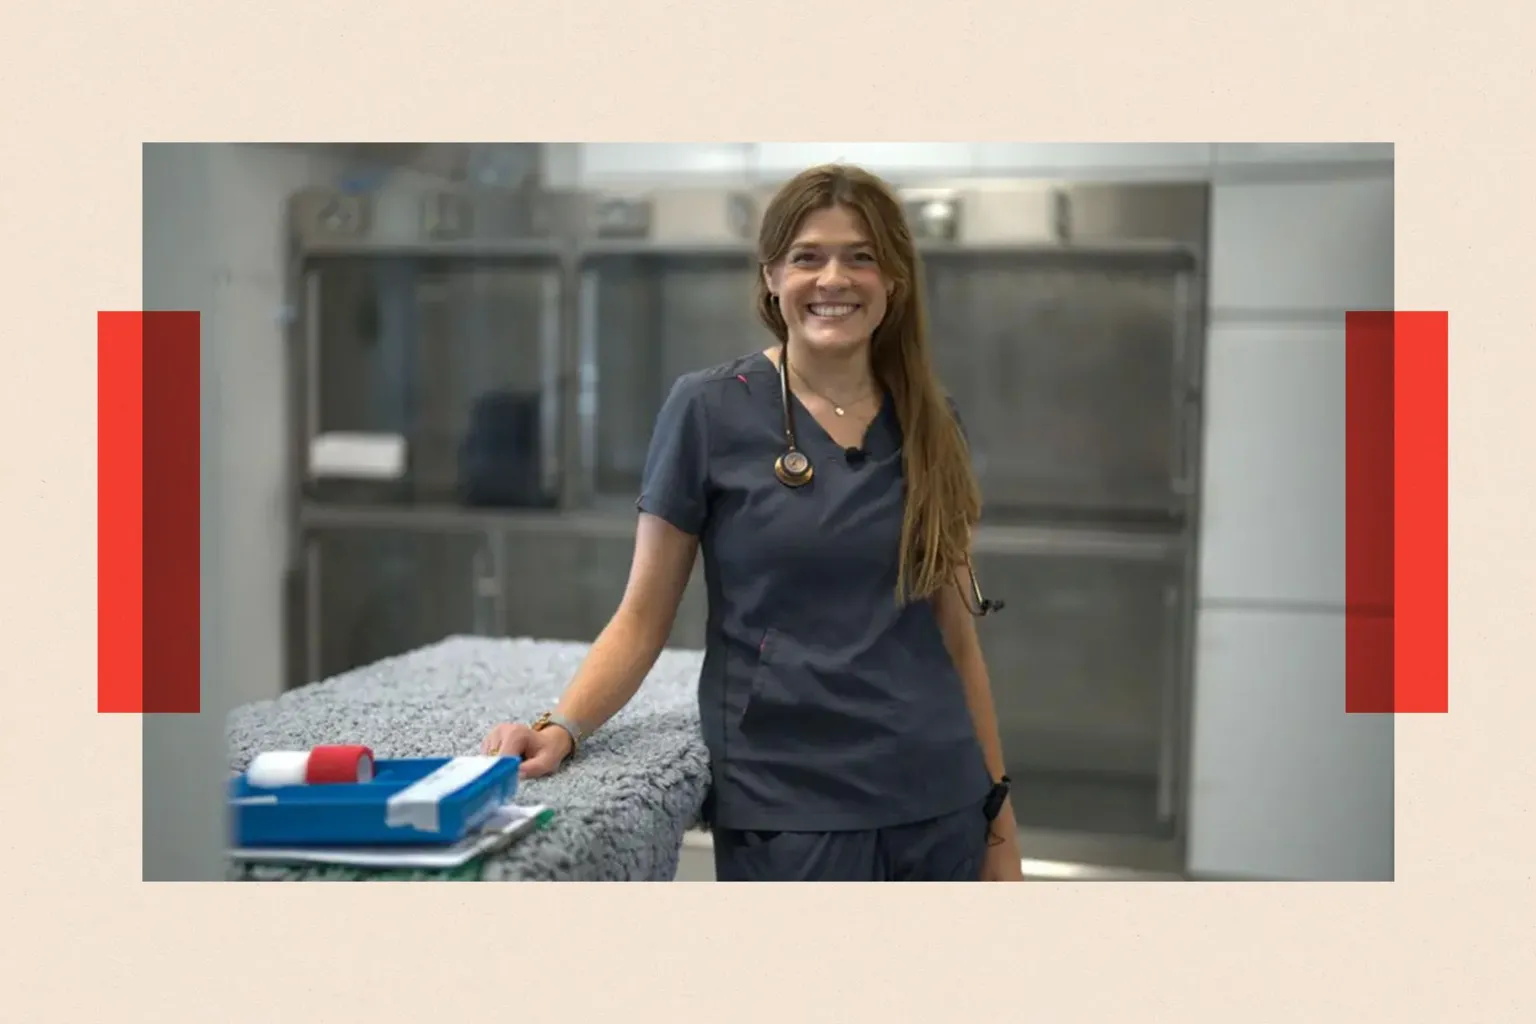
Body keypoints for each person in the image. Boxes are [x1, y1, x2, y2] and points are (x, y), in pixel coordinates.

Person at [482, 163, 1024, 882]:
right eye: (809, 256)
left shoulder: (930, 421)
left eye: (862, 256)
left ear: (894, 280)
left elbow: (957, 638)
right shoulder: (709, 410)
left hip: (940, 800)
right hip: (790, 810)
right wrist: (563, 727)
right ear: (771, 275)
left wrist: (997, 820)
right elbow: (643, 616)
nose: (835, 278)